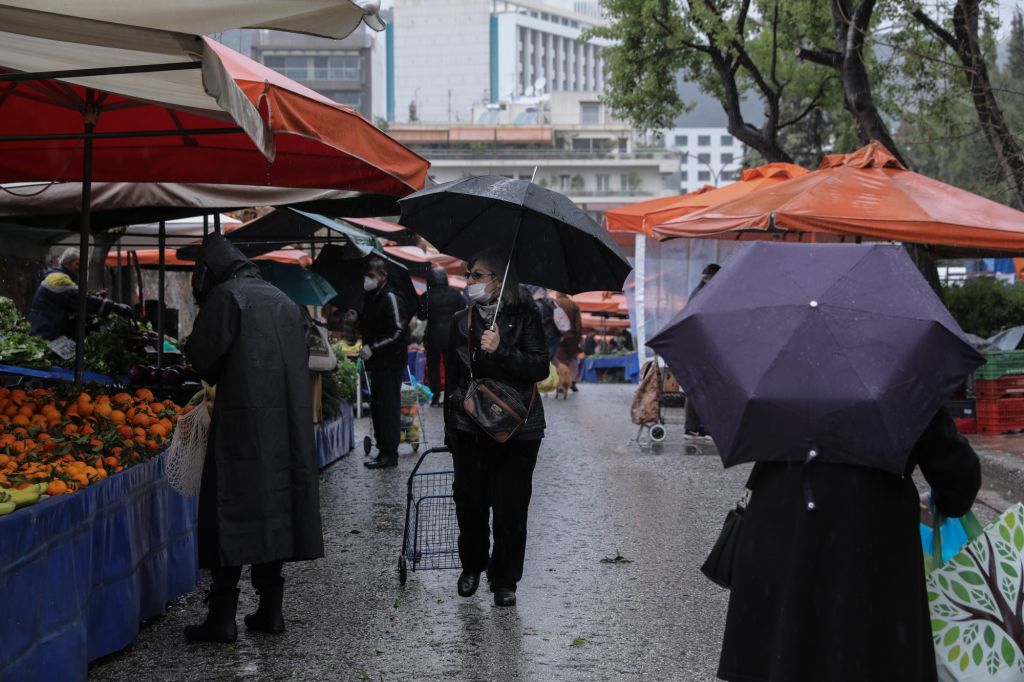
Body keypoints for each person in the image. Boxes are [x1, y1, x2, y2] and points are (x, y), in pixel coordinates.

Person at [717, 408, 980, 682]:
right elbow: (957, 483)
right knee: (865, 656)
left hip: (779, 529)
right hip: (869, 545)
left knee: (783, 652)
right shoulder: (901, 380)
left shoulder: (781, 376)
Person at [182, 234, 323, 643]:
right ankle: (270, 611)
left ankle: (222, 617)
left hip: (242, 426)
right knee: (275, 509)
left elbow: (204, 359)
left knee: (232, 509)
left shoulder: (228, 298)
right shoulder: (282, 301)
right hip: (287, 427)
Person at [444, 249, 548, 607]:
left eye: (477, 275)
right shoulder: (460, 319)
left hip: (520, 426)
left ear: (498, 282)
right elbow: (452, 378)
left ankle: (505, 580)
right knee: (470, 502)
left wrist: (501, 350)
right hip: (469, 426)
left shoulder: (527, 316)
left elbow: (540, 368)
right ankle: (472, 565)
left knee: (511, 507)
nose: (469, 281)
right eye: (468, 274)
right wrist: (451, 429)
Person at [360, 256, 411, 469]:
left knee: (387, 406)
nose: (367, 280)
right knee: (378, 405)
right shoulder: (374, 297)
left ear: (383, 276)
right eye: (367, 275)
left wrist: (374, 347)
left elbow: (398, 332)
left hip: (390, 362)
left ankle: (389, 453)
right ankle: (384, 451)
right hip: (380, 362)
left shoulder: (390, 297)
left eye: (371, 276)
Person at [28, 247, 132, 340]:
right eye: (78, 264)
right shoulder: (58, 278)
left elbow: (74, 298)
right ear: (67, 263)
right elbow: (82, 299)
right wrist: (114, 306)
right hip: (46, 331)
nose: (81, 268)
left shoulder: (60, 276)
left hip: (48, 328)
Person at [417, 267, 465, 406]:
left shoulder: (426, 296)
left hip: (433, 336)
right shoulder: (456, 294)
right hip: (452, 337)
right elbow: (462, 313)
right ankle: (450, 396)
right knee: (451, 367)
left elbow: (421, 315)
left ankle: (435, 397)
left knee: (433, 369)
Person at [684, 264, 720, 436]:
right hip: (700, 347)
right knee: (699, 388)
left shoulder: (700, 292)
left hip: (698, 346)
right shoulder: (704, 294)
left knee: (702, 388)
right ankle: (692, 427)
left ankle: (698, 427)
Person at [554, 292, 583, 392]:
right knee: (572, 360)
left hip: (558, 337)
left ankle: (561, 384)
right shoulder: (573, 305)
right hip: (572, 338)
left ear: (557, 294)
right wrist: (578, 338)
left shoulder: (554, 303)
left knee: (559, 361)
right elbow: (578, 323)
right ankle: (572, 381)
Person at [528, 285, 561, 361]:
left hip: (537, 338)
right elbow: (564, 324)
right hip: (551, 336)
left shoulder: (530, 303)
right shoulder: (552, 302)